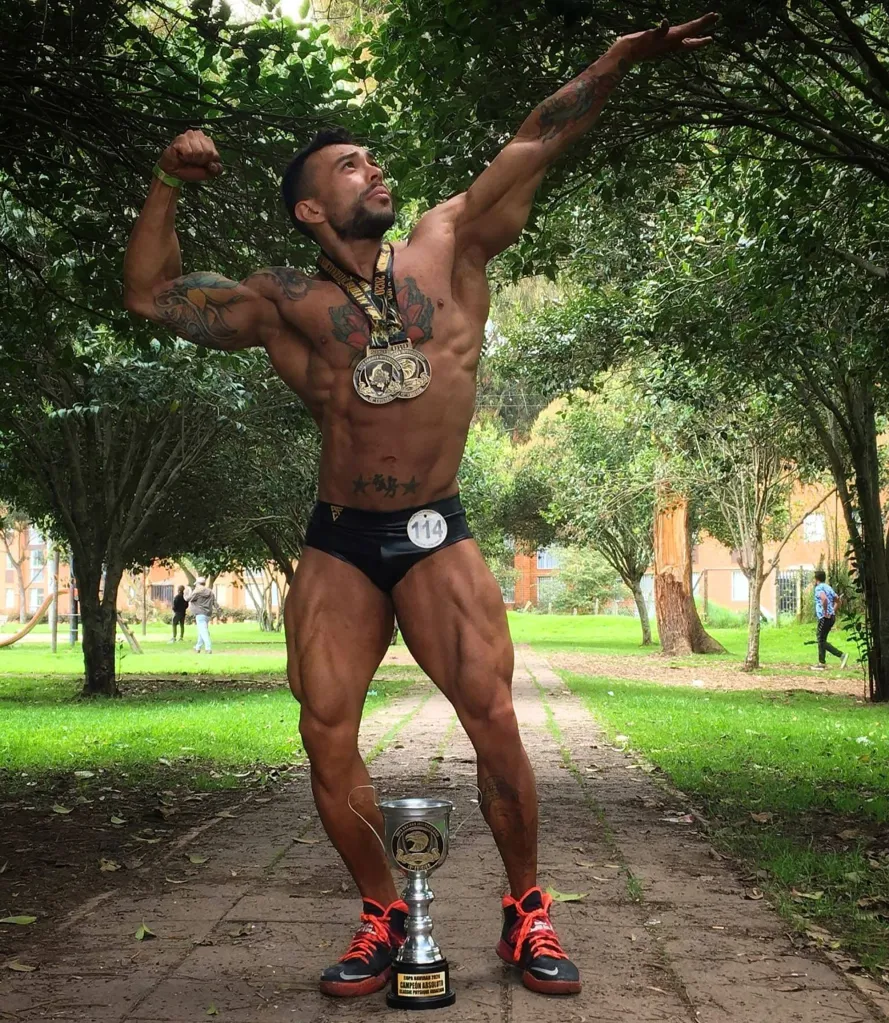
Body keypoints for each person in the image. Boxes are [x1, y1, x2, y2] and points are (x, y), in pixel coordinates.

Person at [123, 13, 716, 998]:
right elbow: (151, 296)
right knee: (324, 731)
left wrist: (612, 60)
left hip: (437, 532)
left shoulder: (448, 245)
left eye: (370, 160)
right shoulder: (281, 302)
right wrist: (167, 182)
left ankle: (526, 913)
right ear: (311, 212)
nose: (372, 173)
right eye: (349, 167)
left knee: (494, 720)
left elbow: (534, 141)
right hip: (341, 542)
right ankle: (385, 912)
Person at [812, 569, 848, 671]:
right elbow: (838, 600)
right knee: (822, 639)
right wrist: (833, 611)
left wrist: (826, 612)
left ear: (816, 579)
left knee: (821, 640)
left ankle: (841, 655)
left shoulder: (819, 588)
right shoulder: (828, 587)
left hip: (825, 617)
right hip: (831, 617)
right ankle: (821, 663)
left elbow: (824, 599)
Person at [186, 577, 217, 654]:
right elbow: (215, 603)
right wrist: (219, 610)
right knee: (202, 631)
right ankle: (198, 647)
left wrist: (186, 593)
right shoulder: (210, 592)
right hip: (208, 614)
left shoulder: (197, 591)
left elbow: (188, 599)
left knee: (203, 631)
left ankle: (208, 648)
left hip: (200, 613)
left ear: (198, 584)